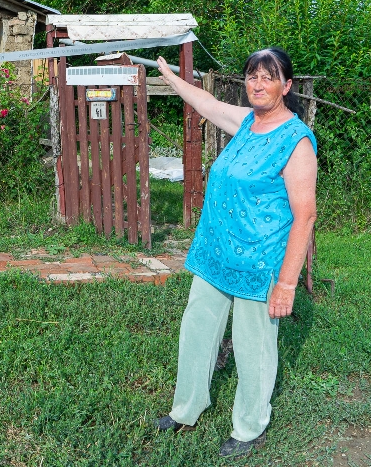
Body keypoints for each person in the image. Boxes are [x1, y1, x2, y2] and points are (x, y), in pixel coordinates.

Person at [150, 47, 318, 458]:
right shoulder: (246, 122)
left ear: (287, 85)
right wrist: (171, 79)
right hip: (215, 252)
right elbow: (205, 102)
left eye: (268, 76)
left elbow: (306, 216)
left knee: (253, 346)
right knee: (196, 333)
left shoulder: (295, 140)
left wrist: (287, 284)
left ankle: (249, 427)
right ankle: (186, 408)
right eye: (252, 77)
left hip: (259, 263)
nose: (258, 84)